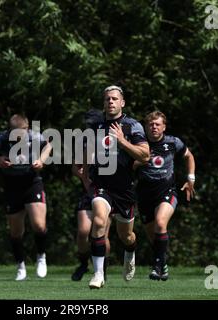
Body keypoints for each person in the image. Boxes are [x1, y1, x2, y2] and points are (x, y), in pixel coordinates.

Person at [84, 86, 150, 289]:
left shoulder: (133, 126)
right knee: (98, 221)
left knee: (126, 236)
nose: (110, 102)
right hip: (101, 184)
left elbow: (145, 156)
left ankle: (130, 253)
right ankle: (98, 274)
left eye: (114, 99)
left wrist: (122, 142)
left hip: (124, 189)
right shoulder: (95, 126)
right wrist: (87, 180)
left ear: (122, 103)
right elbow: (86, 156)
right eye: (106, 99)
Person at [0, 114, 52, 281]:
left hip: (32, 182)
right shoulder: (1, 139)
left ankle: (41, 257)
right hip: (12, 186)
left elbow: (48, 146)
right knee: (16, 232)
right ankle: (20, 265)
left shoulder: (34, 137)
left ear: (27, 129)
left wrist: (41, 161)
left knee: (39, 225)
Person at [134, 111, 195, 281]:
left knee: (161, 224)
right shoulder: (139, 145)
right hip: (144, 194)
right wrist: (138, 162)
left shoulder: (173, 142)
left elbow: (189, 156)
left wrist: (191, 179)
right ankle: (163, 263)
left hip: (167, 191)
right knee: (153, 236)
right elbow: (126, 167)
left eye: (157, 124)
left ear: (164, 127)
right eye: (151, 124)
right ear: (145, 127)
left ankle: (157, 266)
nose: (154, 127)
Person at [71, 110, 112, 282]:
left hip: (107, 192)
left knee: (102, 233)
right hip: (88, 192)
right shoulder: (83, 142)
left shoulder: (110, 141)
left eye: (92, 124)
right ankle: (83, 263)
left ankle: (102, 267)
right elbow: (75, 167)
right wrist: (84, 177)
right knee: (83, 232)